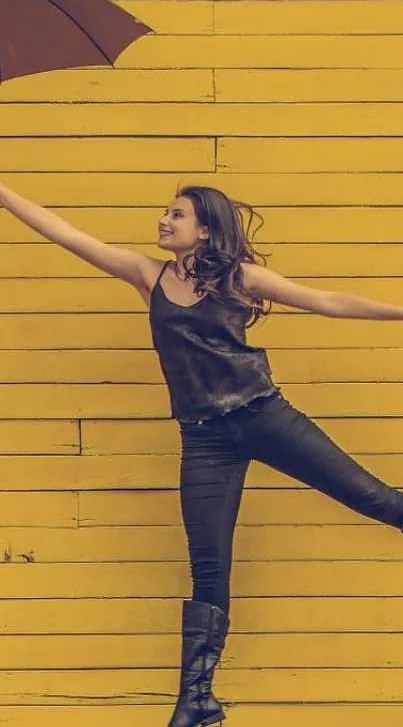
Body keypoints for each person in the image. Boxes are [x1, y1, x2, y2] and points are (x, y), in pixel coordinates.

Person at [1, 180, 403, 727]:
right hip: (205, 439)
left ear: (205, 228)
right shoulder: (150, 275)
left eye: (177, 214)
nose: (164, 221)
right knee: (209, 567)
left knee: (374, 498)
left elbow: (327, 301)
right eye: (166, 213)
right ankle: (197, 702)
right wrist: (4, 193)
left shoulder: (241, 279)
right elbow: (66, 234)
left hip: (265, 417)